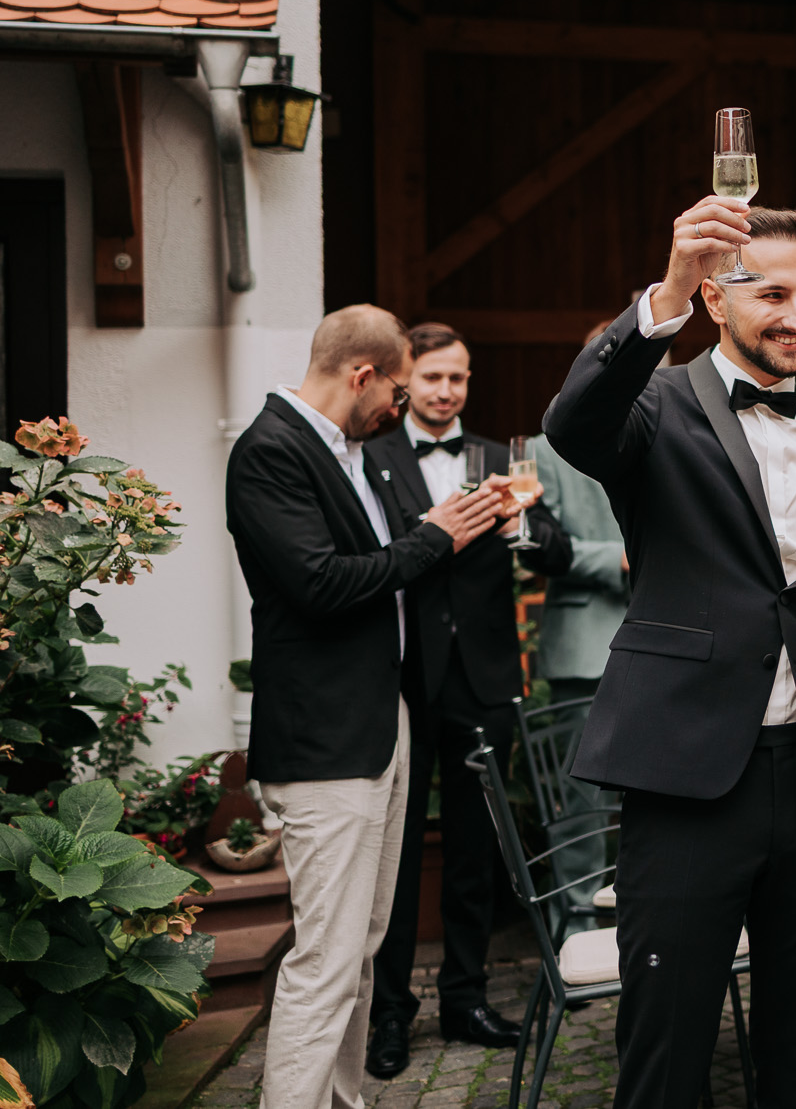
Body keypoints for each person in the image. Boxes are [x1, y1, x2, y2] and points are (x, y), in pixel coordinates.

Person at [542, 202, 796, 1108]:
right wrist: (659, 293)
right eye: (772, 292)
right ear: (714, 296)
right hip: (691, 777)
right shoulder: (651, 408)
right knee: (666, 1048)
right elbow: (572, 424)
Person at [226, 305, 505, 1109]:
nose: (398, 408)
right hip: (325, 741)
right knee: (325, 956)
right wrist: (435, 535)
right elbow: (319, 584)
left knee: (362, 946)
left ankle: (342, 1101)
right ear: (362, 375)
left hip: (382, 726)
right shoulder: (270, 451)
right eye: (394, 388)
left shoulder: (346, 451)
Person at [364, 323, 570, 1077]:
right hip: (404, 676)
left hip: (485, 678)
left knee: (477, 849)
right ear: (405, 381)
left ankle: (466, 995)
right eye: (432, 378)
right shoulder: (374, 457)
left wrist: (520, 523)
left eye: (458, 378)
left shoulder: (495, 456)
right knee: (396, 851)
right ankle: (390, 1012)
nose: (446, 391)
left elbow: (555, 545)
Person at [527, 321, 632, 917]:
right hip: (584, 645)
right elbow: (536, 545)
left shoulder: (677, 429)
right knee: (582, 801)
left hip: (668, 640)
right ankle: (574, 921)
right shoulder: (543, 448)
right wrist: (616, 558)